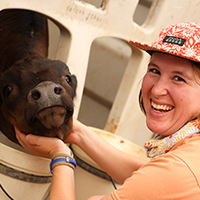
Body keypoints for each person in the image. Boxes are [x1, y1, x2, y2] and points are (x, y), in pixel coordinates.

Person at [15, 22, 200, 199]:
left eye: (179, 78)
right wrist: (78, 133)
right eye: (155, 71)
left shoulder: (181, 170)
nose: (157, 90)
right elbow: (150, 176)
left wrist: (60, 157)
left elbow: (164, 179)